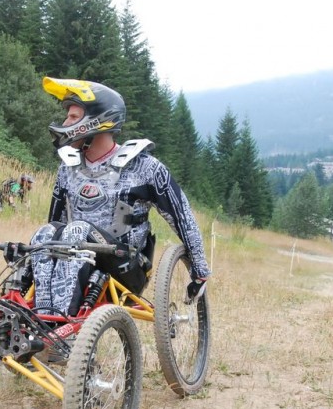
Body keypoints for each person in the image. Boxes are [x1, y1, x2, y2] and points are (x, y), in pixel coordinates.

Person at [29, 77, 210, 316]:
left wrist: (199, 270)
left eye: (73, 117)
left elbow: (182, 217)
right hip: (76, 257)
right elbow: (55, 223)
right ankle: (37, 318)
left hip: (127, 265)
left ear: (97, 121)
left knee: (77, 230)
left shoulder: (145, 167)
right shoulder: (67, 168)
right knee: (45, 233)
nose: (65, 123)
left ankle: (57, 329)